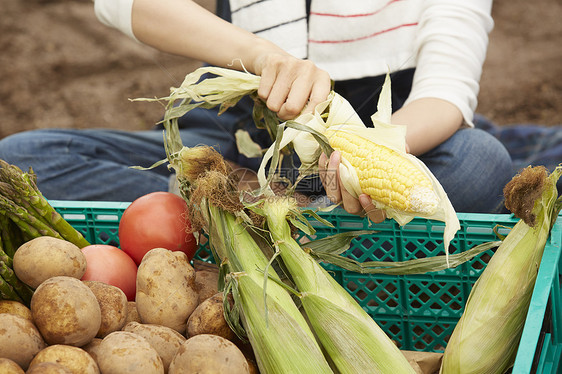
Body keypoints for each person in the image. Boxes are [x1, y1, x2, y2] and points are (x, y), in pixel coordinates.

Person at [0, 0, 528, 219]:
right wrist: (262, 55)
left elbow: (447, 91)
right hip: (242, 150)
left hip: (383, 150)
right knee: (26, 159)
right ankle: (256, 201)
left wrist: (368, 154)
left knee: (480, 164)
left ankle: (242, 212)